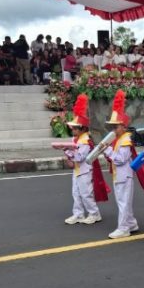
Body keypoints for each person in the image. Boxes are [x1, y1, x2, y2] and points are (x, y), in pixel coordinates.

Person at [62, 94, 109, 225]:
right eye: (73, 127)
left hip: (85, 170)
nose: (72, 130)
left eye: (75, 128)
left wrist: (67, 151)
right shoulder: (74, 139)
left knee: (86, 193)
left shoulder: (86, 141)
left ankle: (94, 214)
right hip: (77, 170)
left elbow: (80, 157)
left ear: (82, 129)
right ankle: (78, 214)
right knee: (75, 193)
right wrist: (68, 152)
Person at [104, 90, 138, 238]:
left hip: (124, 176)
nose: (114, 129)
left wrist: (107, 151)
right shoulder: (119, 139)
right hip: (121, 175)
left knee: (123, 202)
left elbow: (120, 159)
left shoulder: (125, 140)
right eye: (113, 126)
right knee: (123, 202)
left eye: (116, 126)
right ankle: (131, 223)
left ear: (123, 126)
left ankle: (124, 228)